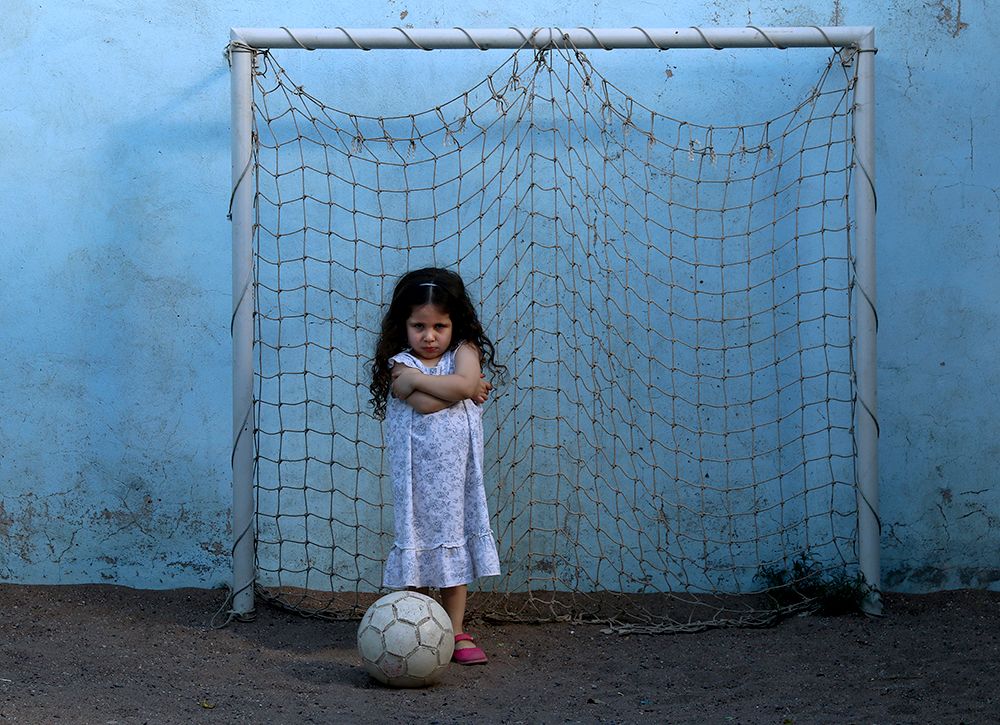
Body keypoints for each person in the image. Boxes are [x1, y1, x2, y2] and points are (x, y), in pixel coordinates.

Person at [370, 267, 506, 665]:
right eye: (419, 326)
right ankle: (419, 623)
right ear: (403, 325)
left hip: (455, 475)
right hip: (414, 475)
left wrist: (423, 381)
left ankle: (455, 628)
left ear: (455, 322)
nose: (429, 336)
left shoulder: (464, 350)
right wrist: (462, 387)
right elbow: (434, 403)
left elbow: (453, 386)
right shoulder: (399, 362)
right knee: (416, 539)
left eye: (439, 326)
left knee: (452, 541)